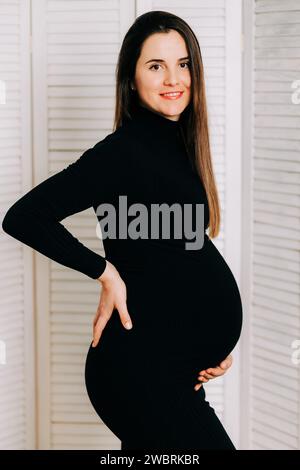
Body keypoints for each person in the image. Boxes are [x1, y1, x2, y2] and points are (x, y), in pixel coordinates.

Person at [2, 11, 243, 449]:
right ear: (132, 79)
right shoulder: (121, 153)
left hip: (171, 367)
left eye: (183, 63)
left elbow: (171, 263)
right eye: (156, 66)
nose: (174, 78)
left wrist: (207, 350)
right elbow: (23, 216)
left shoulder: (180, 144)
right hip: (138, 371)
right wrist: (105, 272)